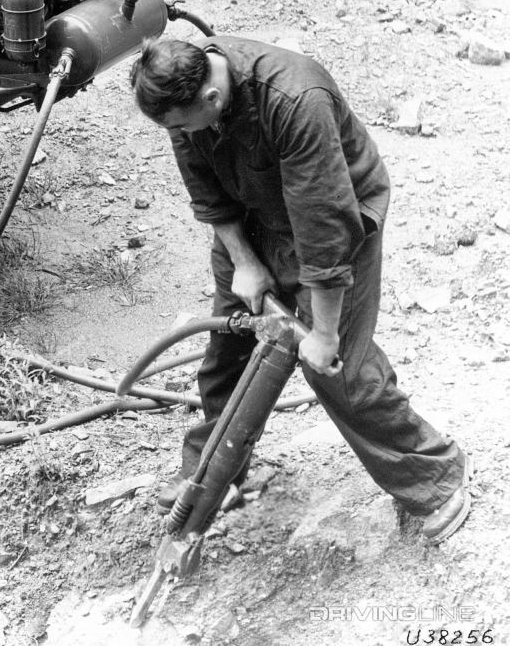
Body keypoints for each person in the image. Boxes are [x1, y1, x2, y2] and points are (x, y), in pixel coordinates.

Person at [129, 35, 472, 543]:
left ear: (211, 99)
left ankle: (434, 478)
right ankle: (214, 472)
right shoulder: (180, 95)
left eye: (180, 125)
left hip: (335, 220)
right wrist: (244, 262)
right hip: (252, 216)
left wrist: (325, 333)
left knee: (338, 372)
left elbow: (324, 226)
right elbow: (204, 184)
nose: (175, 134)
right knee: (231, 348)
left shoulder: (295, 100)